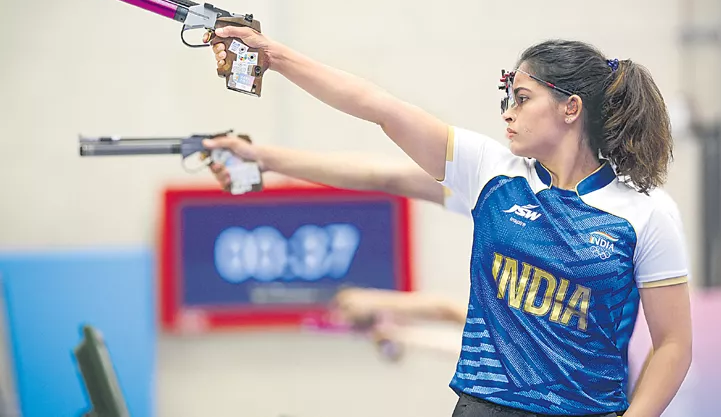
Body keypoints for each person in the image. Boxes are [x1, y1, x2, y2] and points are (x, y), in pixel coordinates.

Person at [202, 28, 692, 417]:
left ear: (571, 107)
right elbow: (378, 108)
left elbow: (673, 344)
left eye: (521, 98)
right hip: (483, 407)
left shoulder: (646, 215)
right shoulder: (492, 172)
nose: (508, 113)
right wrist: (276, 58)